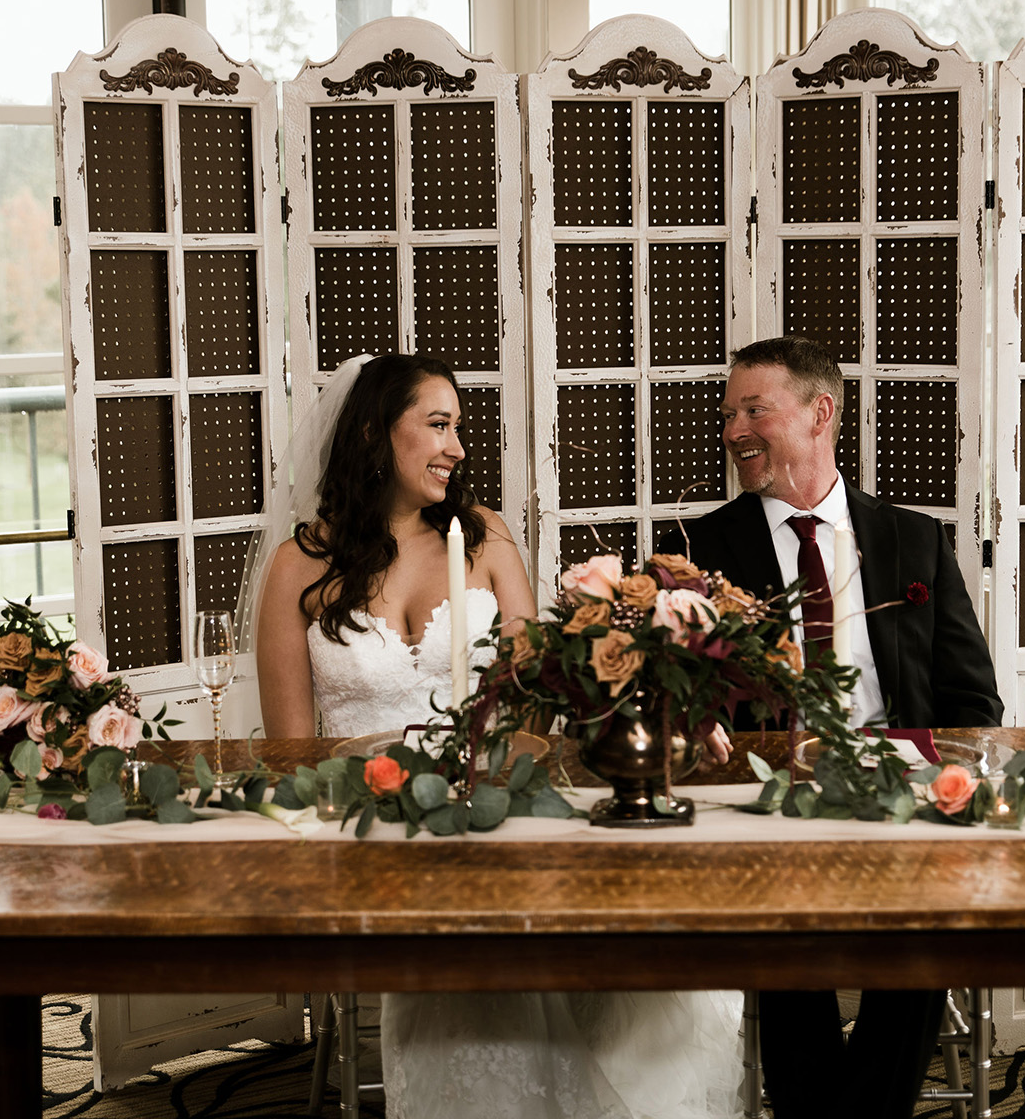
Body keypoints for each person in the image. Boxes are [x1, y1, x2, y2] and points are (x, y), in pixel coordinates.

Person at [256, 353, 744, 1119]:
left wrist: (490, 792)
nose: (457, 448)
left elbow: (538, 700)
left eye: (459, 428)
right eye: (437, 425)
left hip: (498, 805)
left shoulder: (483, 538)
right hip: (371, 829)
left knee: (608, 923)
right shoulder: (299, 566)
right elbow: (290, 756)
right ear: (373, 433)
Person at [657, 335, 1003, 1119]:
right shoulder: (698, 551)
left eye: (754, 410)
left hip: (903, 800)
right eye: (728, 414)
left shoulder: (913, 538)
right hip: (766, 806)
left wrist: (942, 783)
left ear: (820, 413)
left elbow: (972, 698)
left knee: (927, 927)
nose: (733, 430)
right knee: (781, 931)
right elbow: (681, 703)